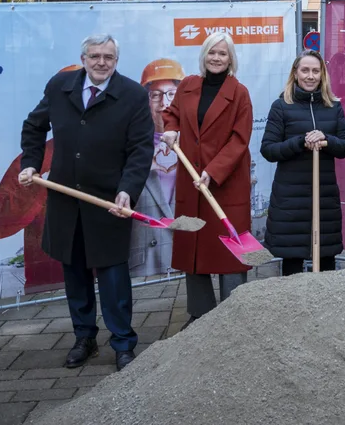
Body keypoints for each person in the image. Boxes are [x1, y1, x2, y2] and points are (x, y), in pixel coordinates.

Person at [19, 35, 153, 371]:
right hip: (66, 201)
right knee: (75, 275)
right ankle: (85, 338)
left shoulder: (133, 96)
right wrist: (31, 163)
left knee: (113, 280)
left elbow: (140, 150)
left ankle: (123, 343)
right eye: (95, 56)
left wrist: (127, 190)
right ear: (83, 58)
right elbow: (34, 126)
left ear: (116, 60)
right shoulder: (60, 86)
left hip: (108, 203)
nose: (101, 62)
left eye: (108, 56)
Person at [161, 31, 254, 323]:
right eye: (212, 53)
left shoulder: (239, 93)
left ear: (231, 59)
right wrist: (171, 128)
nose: (216, 58)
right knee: (194, 248)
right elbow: (172, 113)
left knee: (230, 250)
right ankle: (200, 315)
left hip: (226, 185)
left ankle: (233, 316)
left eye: (222, 53)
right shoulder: (188, 85)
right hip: (191, 182)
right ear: (204, 55)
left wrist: (213, 172)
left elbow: (240, 140)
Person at [261, 50, 345, 275]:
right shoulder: (281, 106)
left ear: (322, 75)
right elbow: (269, 150)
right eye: (305, 70)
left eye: (315, 71)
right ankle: (293, 309)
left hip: (324, 196)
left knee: (326, 259)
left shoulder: (334, 106)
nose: (310, 76)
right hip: (290, 197)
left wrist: (326, 139)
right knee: (292, 260)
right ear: (295, 73)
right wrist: (300, 142)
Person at [129, 58, 186, 278]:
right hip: (147, 262)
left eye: (171, 94)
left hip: (185, 254)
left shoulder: (195, 145)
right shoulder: (132, 145)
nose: (164, 103)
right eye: (156, 95)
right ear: (146, 101)